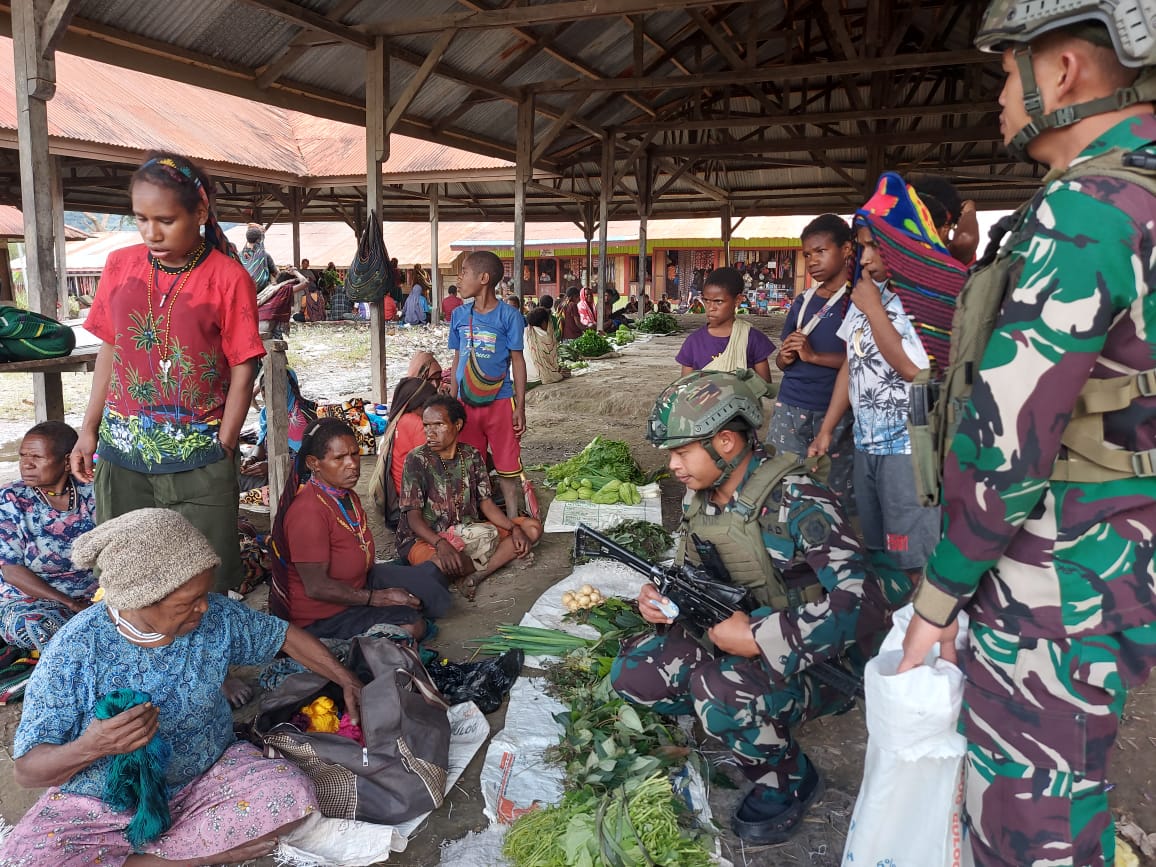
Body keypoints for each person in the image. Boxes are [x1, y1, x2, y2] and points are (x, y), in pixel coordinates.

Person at [898, 6, 1156, 865]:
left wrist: (941, 593)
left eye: (1008, 76)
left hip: (1061, 576)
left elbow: (1009, 439)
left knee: (1029, 818)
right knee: (1078, 771)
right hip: (1125, 554)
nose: (1000, 99)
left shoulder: (1089, 207)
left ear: (1067, 71)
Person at [611, 371, 911, 845]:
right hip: (740, 636)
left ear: (726, 442)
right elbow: (694, 569)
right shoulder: (703, 499)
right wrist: (660, 595)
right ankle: (746, 721)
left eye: (681, 451)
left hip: (827, 661)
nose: (671, 465)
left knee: (719, 690)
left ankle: (788, 779)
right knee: (635, 671)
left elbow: (863, 603)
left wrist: (757, 639)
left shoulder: (798, 500)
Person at [0, 508, 360, 867]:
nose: (203, 607)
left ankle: (154, 857)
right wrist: (92, 746)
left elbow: (284, 636)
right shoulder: (75, 650)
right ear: (138, 599)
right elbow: (29, 771)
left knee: (290, 795)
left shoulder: (217, 617)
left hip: (208, 776)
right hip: (103, 805)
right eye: (187, 602)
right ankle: (174, 859)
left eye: (205, 593)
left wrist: (347, 679)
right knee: (28, 859)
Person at [69, 151, 263, 597]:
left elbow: (243, 365)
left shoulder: (228, 277)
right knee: (127, 574)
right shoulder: (120, 266)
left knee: (206, 581)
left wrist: (227, 444)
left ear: (199, 213)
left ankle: (208, 666)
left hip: (199, 455)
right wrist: (89, 429)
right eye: (140, 219)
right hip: (122, 455)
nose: (151, 232)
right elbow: (110, 349)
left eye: (166, 219)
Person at [808, 182, 947, 579]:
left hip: (908, 446)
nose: (865, 258)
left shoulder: (926, 297)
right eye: (863, 246)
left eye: (874, 246)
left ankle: (922, 629)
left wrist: (872, 311)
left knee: (914, 553)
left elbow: (913, 370)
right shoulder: (872, 293)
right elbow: (851, 365)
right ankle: (890, 621)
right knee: (877, 544)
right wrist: (827, 429)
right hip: (866, 442)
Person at [272, 418, 450, 641]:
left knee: (431, 579)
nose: (352, 464)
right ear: (313, 463)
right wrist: (378, 598)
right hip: (322, 616)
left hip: (360, 581)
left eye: (354, 454)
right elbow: (317, 587)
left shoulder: (346, 496)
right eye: (339, 458)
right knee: (411, 625)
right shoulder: (308, 512)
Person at [396, 396, 542, 600]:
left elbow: (486, 503)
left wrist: (513, 528)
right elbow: (413, 517)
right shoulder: (416, 459)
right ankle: (483, 564)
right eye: (427, 425)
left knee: (531, 529)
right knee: (443, 563)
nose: (431, 432)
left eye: (439, 425)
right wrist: (441, 544)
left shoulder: (471, 455)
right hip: (426, 539)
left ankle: (476, 576)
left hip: (468, 530)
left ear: (457, 425)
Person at [770, 215, 855, 499]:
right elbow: (782, 363)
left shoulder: (857, 300)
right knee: (784, 484)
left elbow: (861, 361)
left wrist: (815, 356)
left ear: (846, 250)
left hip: (834, 410)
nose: (812, 261)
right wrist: (786, 357)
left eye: (821, 251)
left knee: (833, 488)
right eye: (807, 254)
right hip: (790, 405)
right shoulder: (803, 301)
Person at [0, 422, 96, 650]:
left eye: (37, 457)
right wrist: (71, 604)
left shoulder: (93, 491)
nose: (26, 464)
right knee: (36, 627)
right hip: (31, 601)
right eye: (23, 455)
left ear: (66, 461)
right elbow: (11, 571)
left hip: (95, 597)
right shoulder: (11, 499)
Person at [448, 250, 528, 519]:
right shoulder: (459, 315)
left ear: (483, 278)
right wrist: (452, 395)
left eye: (464, 273)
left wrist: (520, 407)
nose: (459, 280)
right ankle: (476, 518)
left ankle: (514, 517)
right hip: (465, 404)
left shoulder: (510, 316)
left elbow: (518, 361)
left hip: (501, 401)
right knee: (470, 463)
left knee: (507, 464)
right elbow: (457, 357)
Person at [676, 267, 774, 381]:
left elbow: (764, 386)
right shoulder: (693, 342)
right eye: (706, 300)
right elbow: (685, 388)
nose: (711, 308)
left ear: (737, 300)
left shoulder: (753, 339)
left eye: (719, 301)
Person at [385, 376, 439, 499]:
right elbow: (433, 462)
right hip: (413, 491)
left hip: (400, 486)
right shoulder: (416, 423)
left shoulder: (399, 419)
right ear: (419, 405)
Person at [910, 175, 981, 265]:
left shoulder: (952, 255)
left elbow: (966, 240)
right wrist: (969, 210)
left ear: (946, 225)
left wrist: (969, 211)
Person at [523, 307, 567, 386]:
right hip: (536, 378)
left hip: (516, 376)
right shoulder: (545, 337)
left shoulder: (523, 332)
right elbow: (550, 363)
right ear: (544, 323)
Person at [239, 224, 276, 293]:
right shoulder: (264, 255)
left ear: (247, 238)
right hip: (261, 292)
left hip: (243, 291)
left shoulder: (239, 255)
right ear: (259, 240)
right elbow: (275, 273)